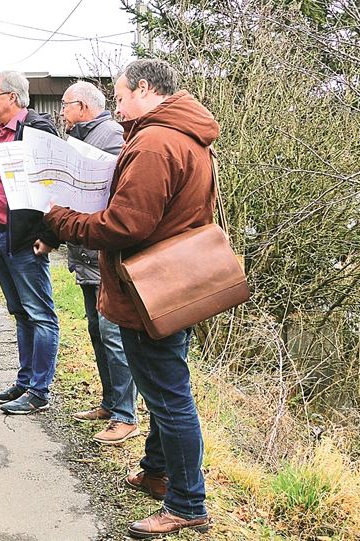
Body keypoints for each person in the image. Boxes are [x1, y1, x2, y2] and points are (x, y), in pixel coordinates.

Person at [45, 59, 218, 537]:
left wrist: (61, 219)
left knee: (169, 397)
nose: (117, 108)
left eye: (119, 97)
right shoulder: (185, 134)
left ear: (144, 88)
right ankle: (158, 473)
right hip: (175, 283)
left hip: (148, 289)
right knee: (166, 389)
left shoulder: (156, 142)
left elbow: (126, 224)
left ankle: (187, 503)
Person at [0, 71, 62, 415]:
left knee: (40, 315)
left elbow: (56, 186)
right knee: (21, 313)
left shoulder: (38, 130)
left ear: (12, 97)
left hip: (27, 239)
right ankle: (25, 382)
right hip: (1, 235)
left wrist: (50, 236)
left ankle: (39, 391)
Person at [60, 81, 139, 446]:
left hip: (103, 254)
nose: (62, 112)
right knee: (96, 331)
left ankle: (126, 415)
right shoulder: (82, 136)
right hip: (86, 255)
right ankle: (109, 403)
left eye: (65, 105)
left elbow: (110, 191)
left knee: (112, 335)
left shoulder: (110, 136)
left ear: (83, 106)